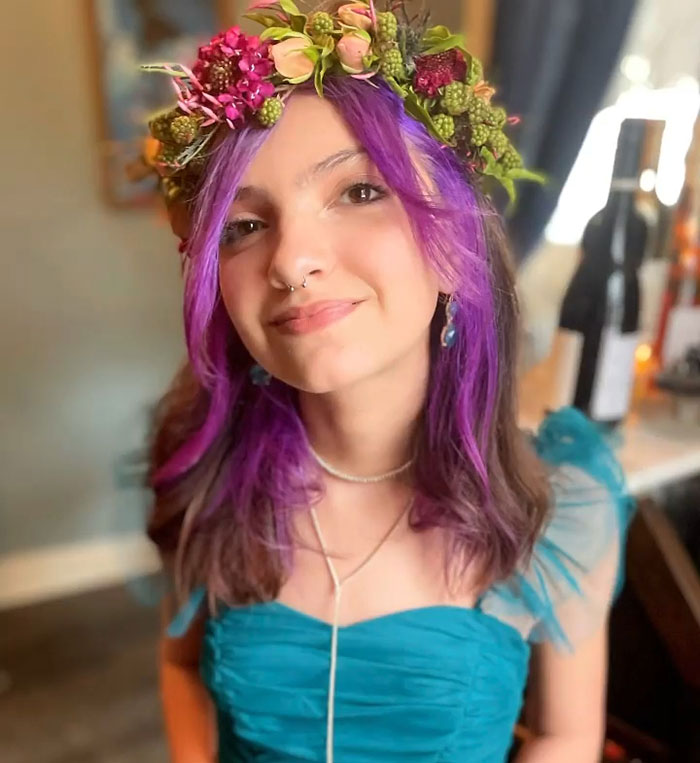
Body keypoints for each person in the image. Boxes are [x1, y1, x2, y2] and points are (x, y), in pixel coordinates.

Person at [142, 2, 633, 761]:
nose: (290, 261)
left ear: (454, 243)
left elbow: (567, 733)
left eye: (359, 192)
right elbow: (181, 668)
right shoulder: (207, 479)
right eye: (244, 226)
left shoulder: (559, 513)